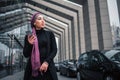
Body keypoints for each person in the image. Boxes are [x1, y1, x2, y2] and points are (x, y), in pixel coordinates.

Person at [23, 12, 58, 80]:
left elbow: (54, 50)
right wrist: (30, 44)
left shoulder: (49, 34)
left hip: (48, 68)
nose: (43, 21)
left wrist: (46, 62)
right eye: (39, 19)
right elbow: (26, 54)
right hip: (33, 70)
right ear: (34, 23)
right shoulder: (29, 36)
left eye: (43, 19)